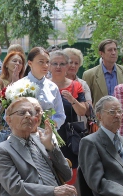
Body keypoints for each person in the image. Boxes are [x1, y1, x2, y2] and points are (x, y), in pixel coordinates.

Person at [49, 50, 87, 184]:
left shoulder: (76, 85)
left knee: (70, 177)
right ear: (49, 66)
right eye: (55, 63)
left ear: (67, 66)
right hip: (49, 137)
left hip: (70, 138)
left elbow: (83, 112)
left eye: (62, 64)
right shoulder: (43, 86)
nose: (58, 67)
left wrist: (72, 100)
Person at [23, 47, 66, 129]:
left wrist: (50, 124)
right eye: (41, 62)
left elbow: (60, 115)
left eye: (47, 62)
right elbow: (9, 115)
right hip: (24, 134)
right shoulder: (19, 86)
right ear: (30, 63)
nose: (45, 65)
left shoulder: (53, 87)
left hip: (48, 134)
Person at [82, 39, 123, 105]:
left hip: (121, 113)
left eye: (115, 49)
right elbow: (87, 102)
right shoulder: (89, 75)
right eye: (110, 50)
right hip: (100, 114)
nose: (113, 53)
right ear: (101, 53)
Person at [0, 51, 25, 136]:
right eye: (14, 61)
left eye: (20, 62)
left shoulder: (26, 84)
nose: (17, 63)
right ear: (6, 64)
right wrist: (13, 84)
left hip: (20, 128)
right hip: (2, 129)